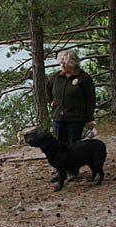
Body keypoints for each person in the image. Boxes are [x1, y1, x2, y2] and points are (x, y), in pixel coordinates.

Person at [46, 49, 96, 181]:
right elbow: (47, 88)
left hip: (76, 118)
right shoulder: (55, 77)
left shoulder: (84, 78)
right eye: (61, 63)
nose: (62, 66)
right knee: (59, 147)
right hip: (58, 117)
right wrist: (51, 101)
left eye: (64, 64)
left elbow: (91, 99)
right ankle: (60, 172)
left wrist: (89, 118)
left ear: (73, 64)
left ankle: (73, 172)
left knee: (73, 147)